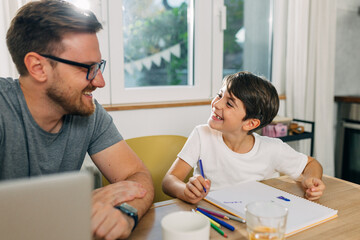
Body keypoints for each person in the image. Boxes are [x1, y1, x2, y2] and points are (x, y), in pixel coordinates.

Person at [0, 1, 154, 239]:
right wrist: (69, 207)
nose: (100, 81)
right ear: (38, 67)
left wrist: (125, 212)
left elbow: (136, 176)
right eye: (87, 68)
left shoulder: (88, 111)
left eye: (99, 66)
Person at [162, 71, 325, 204]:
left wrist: (311, 179)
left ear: (250, 123)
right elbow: (169, 181)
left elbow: (311, 164)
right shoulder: (202, 135)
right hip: (212, 217)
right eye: (219, 95)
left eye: (229, 103)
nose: (217, 104)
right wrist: (185, 191)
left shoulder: (272, 149)